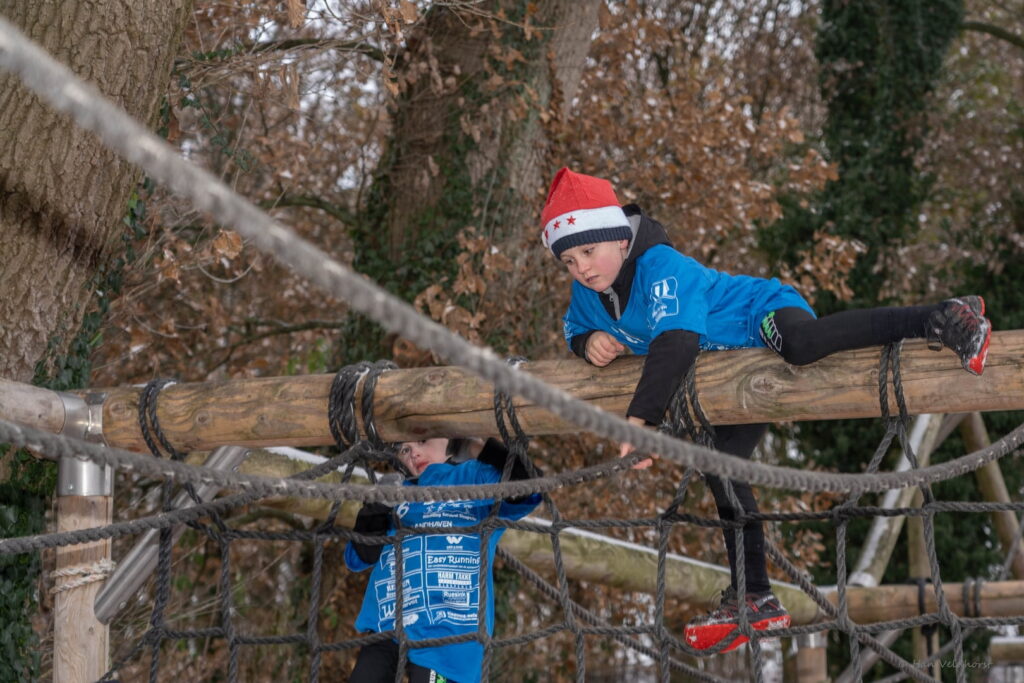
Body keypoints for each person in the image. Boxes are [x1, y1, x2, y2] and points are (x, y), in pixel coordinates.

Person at [540, 166, 992, 652]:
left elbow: (675, 343)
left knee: (800, 345)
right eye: (568, 260)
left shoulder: (661, 266)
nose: (582, 267)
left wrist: (639, 424)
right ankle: (754, 597)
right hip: (728, 378)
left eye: (589, 251)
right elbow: (572, 328)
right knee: (718, 465)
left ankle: (940, 318)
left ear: (619, 240)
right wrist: (588, 343)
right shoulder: (588, 294)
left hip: (760, 316)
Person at [345, 437, 541, 682]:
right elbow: (359, 558)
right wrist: (374, 510)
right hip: (389, 625)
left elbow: (529, 482)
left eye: (423, 441)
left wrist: (472, 447)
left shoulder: (473, 478)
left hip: (448, 632)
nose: (414, 453)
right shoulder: (399, 494)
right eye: (404, 450)